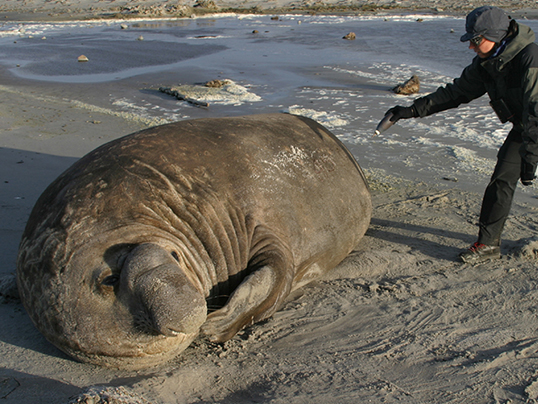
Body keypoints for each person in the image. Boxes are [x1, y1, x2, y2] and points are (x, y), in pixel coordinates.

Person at [385, 5, 538, 265]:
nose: (471, 47)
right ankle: (488, 244)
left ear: (496, 35)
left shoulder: (530, 58)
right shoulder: (487, 64)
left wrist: (531, 156)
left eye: (476, 40)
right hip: (525, 128)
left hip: (534, 125)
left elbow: (537, 110)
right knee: (501, 180)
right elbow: (454, 93)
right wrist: (410, 110)